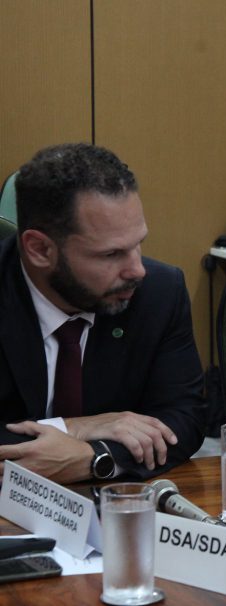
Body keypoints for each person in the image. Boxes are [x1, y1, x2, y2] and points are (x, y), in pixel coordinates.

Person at [0, 143, 206, 483]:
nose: (137, 270)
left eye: (138, 243)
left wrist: (95, 457)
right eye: (111, 254)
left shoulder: (159, 292)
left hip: (114, 510)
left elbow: (184, 419)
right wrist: (77, 428)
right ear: (39, 249)